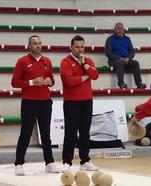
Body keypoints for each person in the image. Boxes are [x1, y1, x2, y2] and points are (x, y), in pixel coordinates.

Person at [11, 35, 58, 175]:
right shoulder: (22, 61)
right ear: (29, 46)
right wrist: (32, 82)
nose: (38, 45)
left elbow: (52, 80)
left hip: (45, 102)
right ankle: (19, 163)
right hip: (29, 102)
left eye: (39, 43)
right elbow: (14, 82)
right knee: (25, 133)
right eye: (35, 43)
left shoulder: (47, 61)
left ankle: (49, 162)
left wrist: (50, 81)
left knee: (46, 134)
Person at [60, 35, 99, 172]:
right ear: (71, 47)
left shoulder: (87, 60)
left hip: (87, 101)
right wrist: (84, 76)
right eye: (77, 47)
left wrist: (85, 65)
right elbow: (69, 82)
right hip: (71, 102)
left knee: (85, 132)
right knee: (70, 133)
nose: (80, 50)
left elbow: (95, 75)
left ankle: (85, 160)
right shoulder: (65, 62)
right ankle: (67, 161)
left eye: (82, 47)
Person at [105, 22, 146, 89]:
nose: (120, 30)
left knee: (135, 63)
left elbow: (132, 51)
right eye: (118, 28)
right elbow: (108, 53)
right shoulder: (110, 39)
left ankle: (139, 84)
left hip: (126, 60)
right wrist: (120, 58)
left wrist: (128, 58)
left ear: (123, 30)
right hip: (114, 61)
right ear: (114, 29)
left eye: (121, 28)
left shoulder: (127, 39)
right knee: (120, 62)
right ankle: (121, 83)